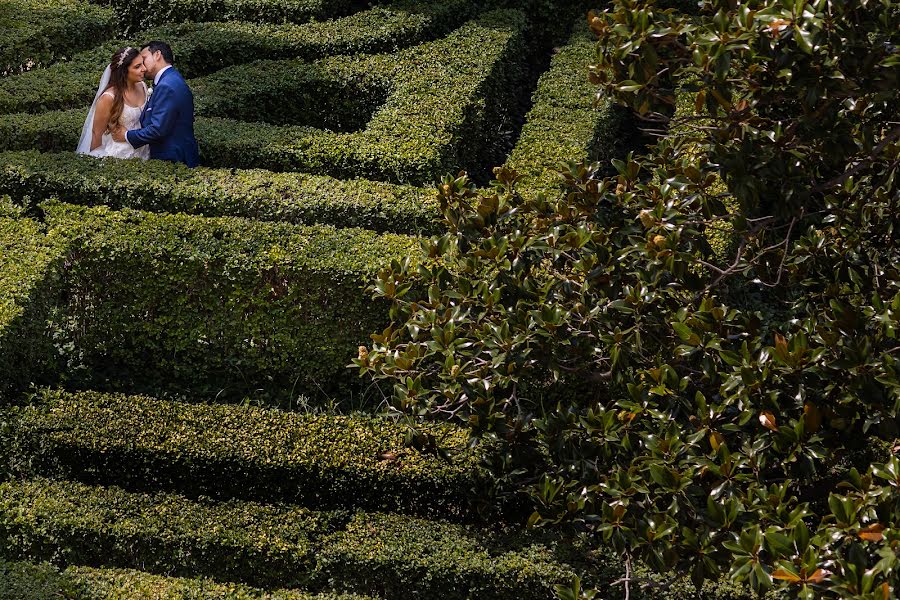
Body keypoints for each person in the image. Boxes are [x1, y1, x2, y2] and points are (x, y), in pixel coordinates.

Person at [112, 41, 200, 167]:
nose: (143, 66)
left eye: (144, 59)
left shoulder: (166, 85)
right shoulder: (171, 78)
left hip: (173, 157)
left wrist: (126, 135)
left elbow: (157, 129)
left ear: (157, 55)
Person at [75, 46, 150, 160]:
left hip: (144, 150)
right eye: (137, 66)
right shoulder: (108, 98)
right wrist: (95, 159)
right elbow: (96, 134)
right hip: (119, 156)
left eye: (143, 63)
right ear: (124, 71)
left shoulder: (143, 87)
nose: (144, 68)